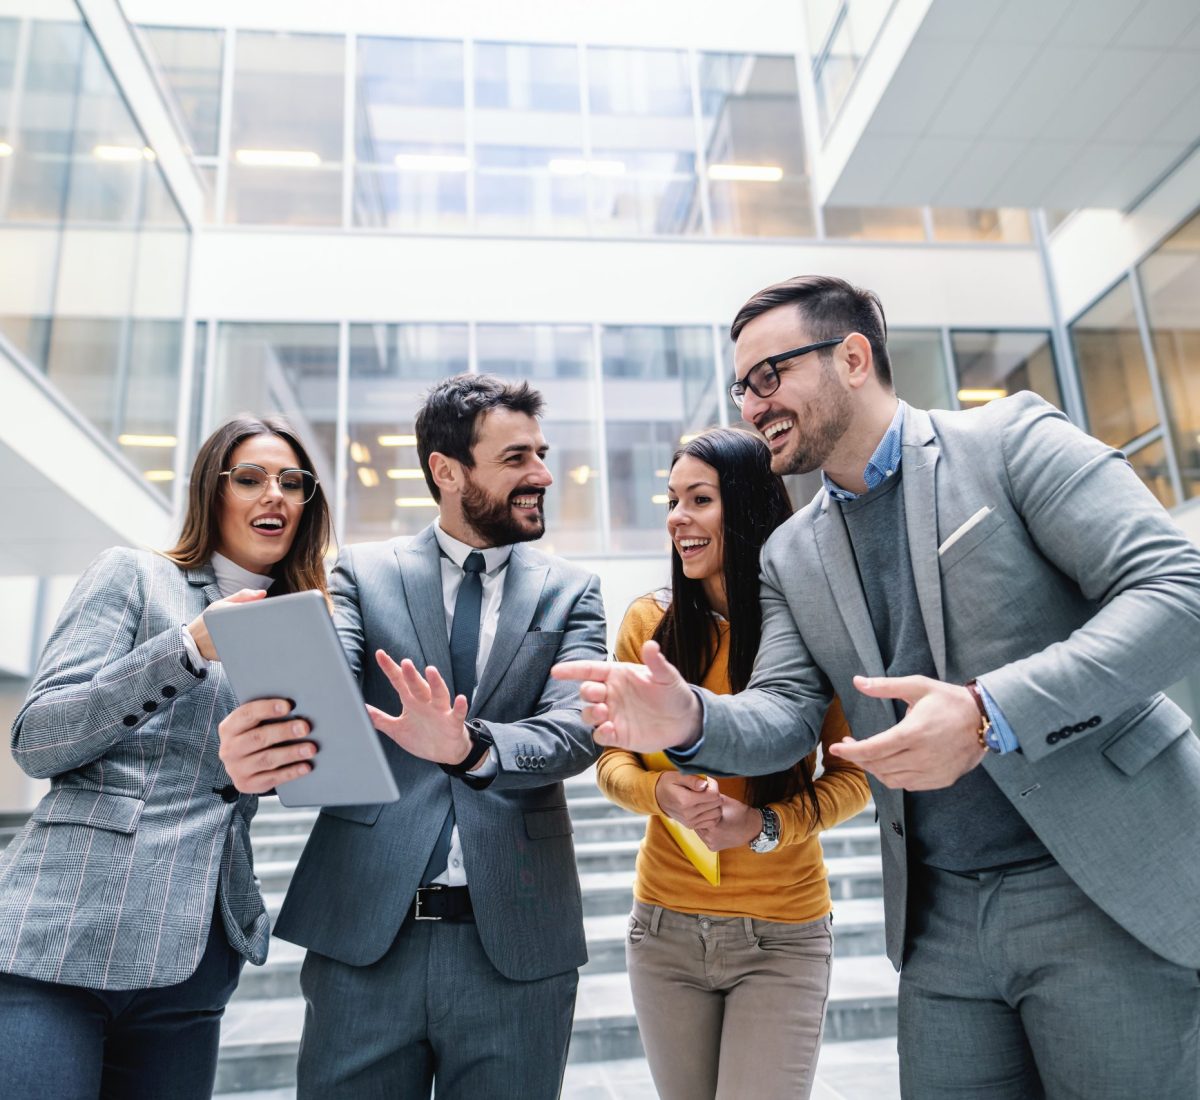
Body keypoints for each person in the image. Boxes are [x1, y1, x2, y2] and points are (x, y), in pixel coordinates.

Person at [555, 275, 1200, 1100]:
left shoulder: (1011, 439)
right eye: (741, 388)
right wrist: (689, 717)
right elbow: (786, 716)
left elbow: (1174, 590)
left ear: (853, 357)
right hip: (941, 921)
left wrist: (986, 713)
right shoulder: (790, 554)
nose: (752, 406)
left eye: (769, 376)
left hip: (1097, 882)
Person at [217, 374, 606, 1100]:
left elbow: (575, 734)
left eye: (542, 453)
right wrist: (272, 726)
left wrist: (471, 746)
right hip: (367, 936)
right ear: (447, 471)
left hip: (518, 943)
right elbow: (320, 695)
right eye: (517, 457)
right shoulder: (361, 572)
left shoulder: (572, 589)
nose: (542, 474)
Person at [0, 415, 332, 1099]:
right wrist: (186, 647)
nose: (275, 494)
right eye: (251, 478)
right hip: (61, 938)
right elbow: (38, 740)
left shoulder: (303, 622)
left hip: (193, 958)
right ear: (211, 491)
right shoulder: (135, 576)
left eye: (292, 483)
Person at [595, 427, 870, 1100]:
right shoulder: (648, 627)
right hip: (663, 932)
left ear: (744, 508)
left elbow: (856, 774)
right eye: (672, 501)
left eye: (699, 500)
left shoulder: (810, 627)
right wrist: (660, 792)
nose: (677, 519)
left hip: (783, 934)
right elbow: (612, 764)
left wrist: (765, 824)